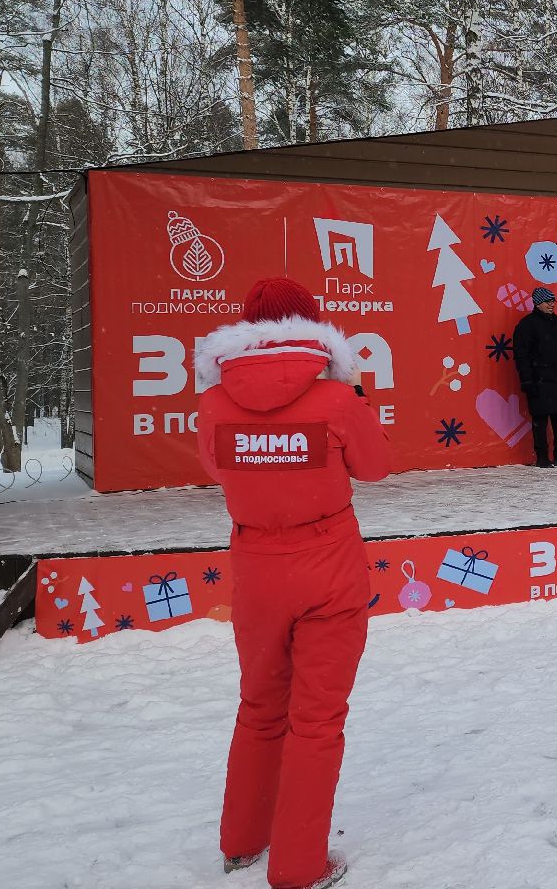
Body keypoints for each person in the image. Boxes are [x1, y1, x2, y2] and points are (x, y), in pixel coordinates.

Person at [194, 276, 391, 889]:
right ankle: (300, 866)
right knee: (317, 720)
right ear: (314, 328)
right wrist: (354, 399)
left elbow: (213, 467)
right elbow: (377, 467)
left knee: (259, 707)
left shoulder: (213, 402)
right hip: (329, 565)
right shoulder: (335, 399)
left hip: (256, 569)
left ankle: (242, 843)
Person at [513, 287, 557, 468]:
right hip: (539, 379)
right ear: (537, 303)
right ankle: (542, 457)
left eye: (553, 301)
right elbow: (522, 356)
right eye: (547, 301)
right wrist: (527, 380)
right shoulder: (526, 325)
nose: (552, 304)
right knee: (540, 419)